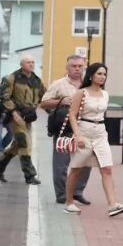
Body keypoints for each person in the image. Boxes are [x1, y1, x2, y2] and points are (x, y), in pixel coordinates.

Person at [61, 63, 123, 218]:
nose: (102, 77)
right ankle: (69, 202)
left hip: (100, 133)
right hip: (84, 132)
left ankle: (113, 204)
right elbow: (72, 114)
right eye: (99, 74)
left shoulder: (105, 94)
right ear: (91, 75)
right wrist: (77, 135)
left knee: (107, 168)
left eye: (104, 74)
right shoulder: (82, 92)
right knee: (77, 169)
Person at [42, 54, 94, 205]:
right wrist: (61, 101)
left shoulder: (89, 84)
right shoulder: (59, 84)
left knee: (86, 161)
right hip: (64, 128)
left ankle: (77, 191)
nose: (77, 69)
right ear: (67, 67)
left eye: (80, 66)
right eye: (74, 66)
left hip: (85, 129)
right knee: (61, 164)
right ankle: (62, 194)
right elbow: (44, 103)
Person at [0, 55, 44, 185]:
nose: (31, 64)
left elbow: (44, 96)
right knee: (24, 144)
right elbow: (4, 97)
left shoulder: (37, 80)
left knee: (17, 145)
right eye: (28, 62)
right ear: (22, 64)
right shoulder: (12, 78)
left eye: (33, 62)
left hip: (28, 118)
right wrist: (13, 112)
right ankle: (29, 175)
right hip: (16, 117)